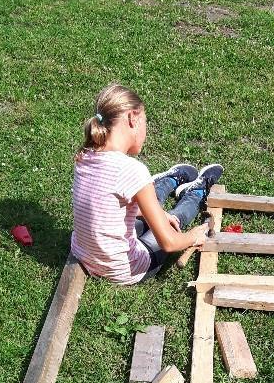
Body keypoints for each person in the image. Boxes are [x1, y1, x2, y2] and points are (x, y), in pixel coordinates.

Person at [71, 83, 223, 285]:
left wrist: (161, 215)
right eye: (145, 121)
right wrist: (193, 236)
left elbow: (105, 208)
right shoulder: (131, 169)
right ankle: (197, 191)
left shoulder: (85, 155)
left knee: (154, 209)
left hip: (86, 256)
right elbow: (168, 243)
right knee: (174, 222)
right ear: (133, 118)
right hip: (124, 269)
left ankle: (169, 182)